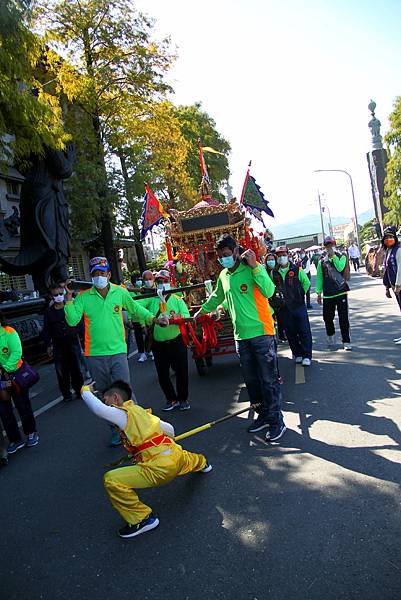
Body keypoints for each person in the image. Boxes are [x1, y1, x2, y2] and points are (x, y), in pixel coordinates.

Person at [80, 380, 212, 538]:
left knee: (111, 480)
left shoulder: (123, 413)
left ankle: (142, 520)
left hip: (159, 469)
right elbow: (170, 429)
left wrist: (85, 389)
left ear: (115, 398)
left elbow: (98, 409)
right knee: (185, 458)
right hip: (174, 455)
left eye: (106, 400)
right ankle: (204, 463)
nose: (105, 404)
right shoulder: (140, 412)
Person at [64, 256, 167, 445]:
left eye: (102, 273)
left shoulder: (120, 292)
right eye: (95, 274)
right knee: (105, 394)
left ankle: (137, 426)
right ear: (91, 276)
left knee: (123, 390)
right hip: (94, 354)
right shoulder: (84, 297)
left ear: (109, 274)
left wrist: (154, 319)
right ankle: (115, 430)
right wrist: (69, 297)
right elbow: (71, 320)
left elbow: (135, 308)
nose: (99, 277)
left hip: (118, 351)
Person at [196, 234, 286, 441]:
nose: (223, 259)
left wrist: (255, 266)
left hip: (262, 333)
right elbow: (218, 296)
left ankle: (276, 422)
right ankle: (263, 416)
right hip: (241, 337)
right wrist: (201, 311)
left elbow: (269, 290)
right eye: (220, 257)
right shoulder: (224, 276)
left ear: (236, 251)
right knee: (252, 382)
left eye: (226, 255)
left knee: (268, 381)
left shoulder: (253, 268)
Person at [140, 269, 191, 411]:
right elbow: (138, 310)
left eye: (165, 281)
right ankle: (171, 399)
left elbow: (186, 316)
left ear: (170, 282)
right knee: (162, 374)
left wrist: (176, 318)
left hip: (176, 340)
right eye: (159, 282)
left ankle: (183, 399)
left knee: (181, 372)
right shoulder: (150, 299)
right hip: (158, 344)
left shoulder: (176, 299)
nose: (162, 284)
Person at [0, 312, 39, 454]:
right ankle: (15, 439)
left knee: (22, 405)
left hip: (14, 376)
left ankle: (31, 432)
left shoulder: (9, 332)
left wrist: (5, 370)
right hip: (1, 381)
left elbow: (16, 353)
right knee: (4, 411)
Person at [272, 246, 313, 366]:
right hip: (283, 308)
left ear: (288, 255)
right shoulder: (274, 272)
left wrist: (299, 296)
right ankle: (298, 353)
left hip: (298, 306)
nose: (281, 258)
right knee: (290, 332)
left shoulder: (297, 269)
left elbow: (306, 283)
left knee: (304, 330)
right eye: (279, 256)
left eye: (283, 255)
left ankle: (307, 355)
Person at [43, 283, 84, 401]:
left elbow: (79, 323)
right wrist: (48, 345)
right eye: (56, 295)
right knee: (61, 371)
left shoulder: (70, 307)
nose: (59, 296)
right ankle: (66, 394)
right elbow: (46, 330)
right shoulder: (49, 312)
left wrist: (83, 338)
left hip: (73, 341)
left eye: (61, 294)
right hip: (58, 345)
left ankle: (79, 391)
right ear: (51, 296)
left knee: (76, 368)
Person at [316, 236, 351, 350]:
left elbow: (340, 268)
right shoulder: (321, 261)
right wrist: (318, 293)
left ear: (335, 245)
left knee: (343, 318)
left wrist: (334, 257)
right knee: (327, 318)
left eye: (331, 245)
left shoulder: (342, 256)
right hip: (328, 294)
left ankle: (346, 341)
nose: (330, 247)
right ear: (325, 247)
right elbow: (320, 278)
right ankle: (330, 335)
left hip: (341, 292)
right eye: (327, 245)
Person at [381, 227, 401, 343]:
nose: (389, 239)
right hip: (394, 286)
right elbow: (387, 270)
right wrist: (387, 287)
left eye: (391, 237)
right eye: (387, 237)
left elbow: (400, 268)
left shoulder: (398, 250)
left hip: (399, 285)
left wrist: (398, 284)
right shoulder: (388, 251)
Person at [265, 252, 286, 342]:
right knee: (271, 319)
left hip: (278, 298)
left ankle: (281, 335)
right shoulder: (263, 271)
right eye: (269, 260)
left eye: (272, 259)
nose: (271, 261)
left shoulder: (278, 270)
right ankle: (272, 337)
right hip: (268, 299)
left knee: (281, 318)